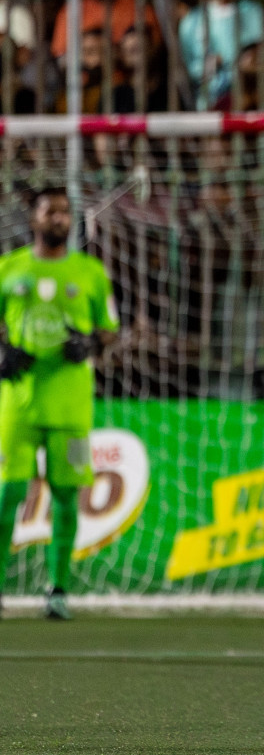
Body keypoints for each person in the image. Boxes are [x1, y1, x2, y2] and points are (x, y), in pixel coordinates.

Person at [0, 188, 118, 620]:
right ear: (33, 218)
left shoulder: (90, 272)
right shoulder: (8, 268)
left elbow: (109, 329)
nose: (60, 218)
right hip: (18, 402)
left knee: (67, 493)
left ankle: (58, 589)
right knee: (8, 492)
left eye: (66, 212)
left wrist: (89, 343)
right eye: (51, 211)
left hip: (71, 405)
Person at [178, 0, 264, 110]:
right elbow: (189, 69)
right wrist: (212, 63)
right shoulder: (191, 22)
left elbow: (257, 57)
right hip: (206, 105)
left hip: (249, 101)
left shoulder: (252, 12)